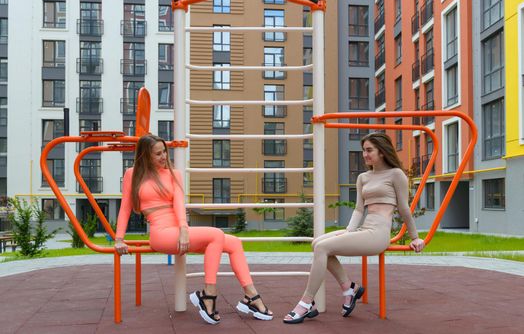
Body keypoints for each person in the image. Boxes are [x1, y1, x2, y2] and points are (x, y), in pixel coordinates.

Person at [115, 134, 273, 325]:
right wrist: (119, 238)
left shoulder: (173, 173)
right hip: (160, 233)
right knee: (216, 235)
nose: (164, 156)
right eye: (158, 154)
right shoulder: (132, 174)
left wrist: (183, 228)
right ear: (145, 156)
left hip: (179, 230)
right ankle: (208, 294)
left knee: (234, 243)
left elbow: (180, 204)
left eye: (165, 151)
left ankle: (250, 296)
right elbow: (125, 207)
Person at [283, 132, 425, 324]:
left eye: (369, 150)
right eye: (363, 151)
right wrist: (349, 232)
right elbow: (359, 209)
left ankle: (306, 302)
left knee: (323, 248)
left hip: (378, 235)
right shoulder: (363, 177)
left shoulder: (395, 174)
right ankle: (349, 288)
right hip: (364, 229)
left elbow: (404, 208)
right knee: (317, 243)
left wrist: (415, 237)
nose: (365, 155)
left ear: (382, 152)